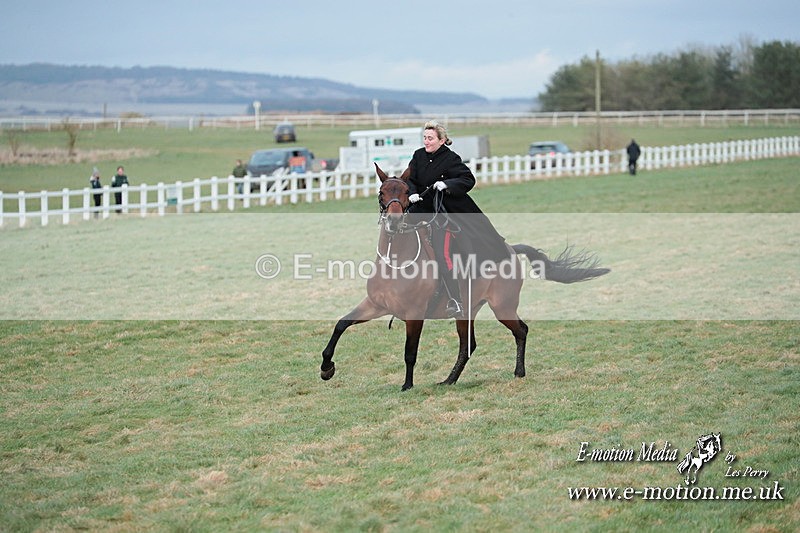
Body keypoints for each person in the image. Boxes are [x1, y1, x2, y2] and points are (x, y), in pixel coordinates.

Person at [406, 121, 509, 317]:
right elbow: (411, 179)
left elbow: (468, 179)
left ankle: (456, 300)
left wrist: (447, 184)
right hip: (419, 209)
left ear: (442, 140)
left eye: (430, 138)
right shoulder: (418, 155)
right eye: (425, 138)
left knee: (442, 255)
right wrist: (411, 193)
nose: (426, 142)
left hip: (444, 213)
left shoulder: (451, 158)